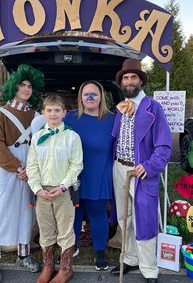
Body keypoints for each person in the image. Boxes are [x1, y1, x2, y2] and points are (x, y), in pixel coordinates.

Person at [109, 59, 172, 283]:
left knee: (144, 219)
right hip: (119, 167)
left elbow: (164, 145)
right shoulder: (120, 108)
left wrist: (150, 166)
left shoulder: (153, 108)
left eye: (133, 77)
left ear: (140, 80)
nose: (129, 81)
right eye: (125, 78)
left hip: (141, 171)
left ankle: (148, 268)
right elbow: (114, 139)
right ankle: (130, 258)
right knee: (124, 217)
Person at [0, 64, 45, 283]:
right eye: (22, 85)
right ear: (14, 86)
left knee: (26, 213)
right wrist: (17, 167)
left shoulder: (37, 116)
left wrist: (31, 169)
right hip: (8, 170)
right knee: (0, 211)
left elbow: (40, 145)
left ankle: (24, 254)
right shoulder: (0, 114)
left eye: (30, 85)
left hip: (29, 171)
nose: (26, 89)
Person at [26, 94, 83, 283]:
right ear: (43, 113)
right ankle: (49, 265)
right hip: (42, 192)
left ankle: (66, 268)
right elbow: (32, 166)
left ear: (64, 113)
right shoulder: (37, 138)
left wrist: (62, 186)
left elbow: (76, 165)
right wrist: (36, 189)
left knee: (65, 230)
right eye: (49, 110)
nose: (53, 114)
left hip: (62, 191)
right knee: (46, 229)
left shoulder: (72, 137)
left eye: (57, 110)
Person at [64, 80, 115, 271]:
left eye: (94, 93)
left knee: (97, 214)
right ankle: (73, 245)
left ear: (101, 96)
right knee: (73, 214)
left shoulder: (112, 119)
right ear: (81, 97)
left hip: (99, 175)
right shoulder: (69, 118)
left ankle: (99, 251)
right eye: (86, 94)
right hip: (73, 176)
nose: (90, 97)